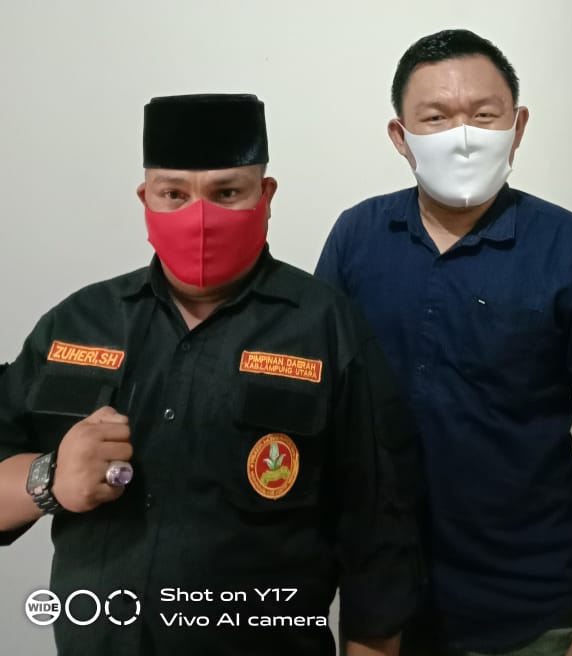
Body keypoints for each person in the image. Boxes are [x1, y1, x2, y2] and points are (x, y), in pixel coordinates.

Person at [0, 93, 422, 656]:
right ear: (145, 197)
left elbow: (379, 547)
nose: (199, 217)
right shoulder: (78, 323)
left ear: (266, 196)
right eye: (174, 194)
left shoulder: (327, 329)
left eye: (227, 193)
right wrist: (50, 479)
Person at [315, 30, 572, 656]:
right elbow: (318, 406)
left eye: (484, 114)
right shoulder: (357, 236)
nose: (463, 135)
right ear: (400, 136)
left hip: (535, 604)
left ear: (517, 127)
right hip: (382, 600)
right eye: (436, 117)